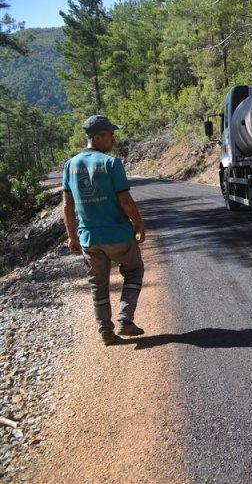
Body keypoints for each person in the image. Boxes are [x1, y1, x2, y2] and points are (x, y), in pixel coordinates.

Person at [62, 115, 146, 346]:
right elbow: (125, 201)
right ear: (97, 137)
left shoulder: (69, 165)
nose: (113, 138)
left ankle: (106, 333)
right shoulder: (111, 163)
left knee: (98, 285)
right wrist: (138, 223)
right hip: (118, 235)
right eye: (110, 134)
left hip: (90, 238)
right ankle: (125, 320)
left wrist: (72, 237)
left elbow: (68, 206)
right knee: (134, 271)